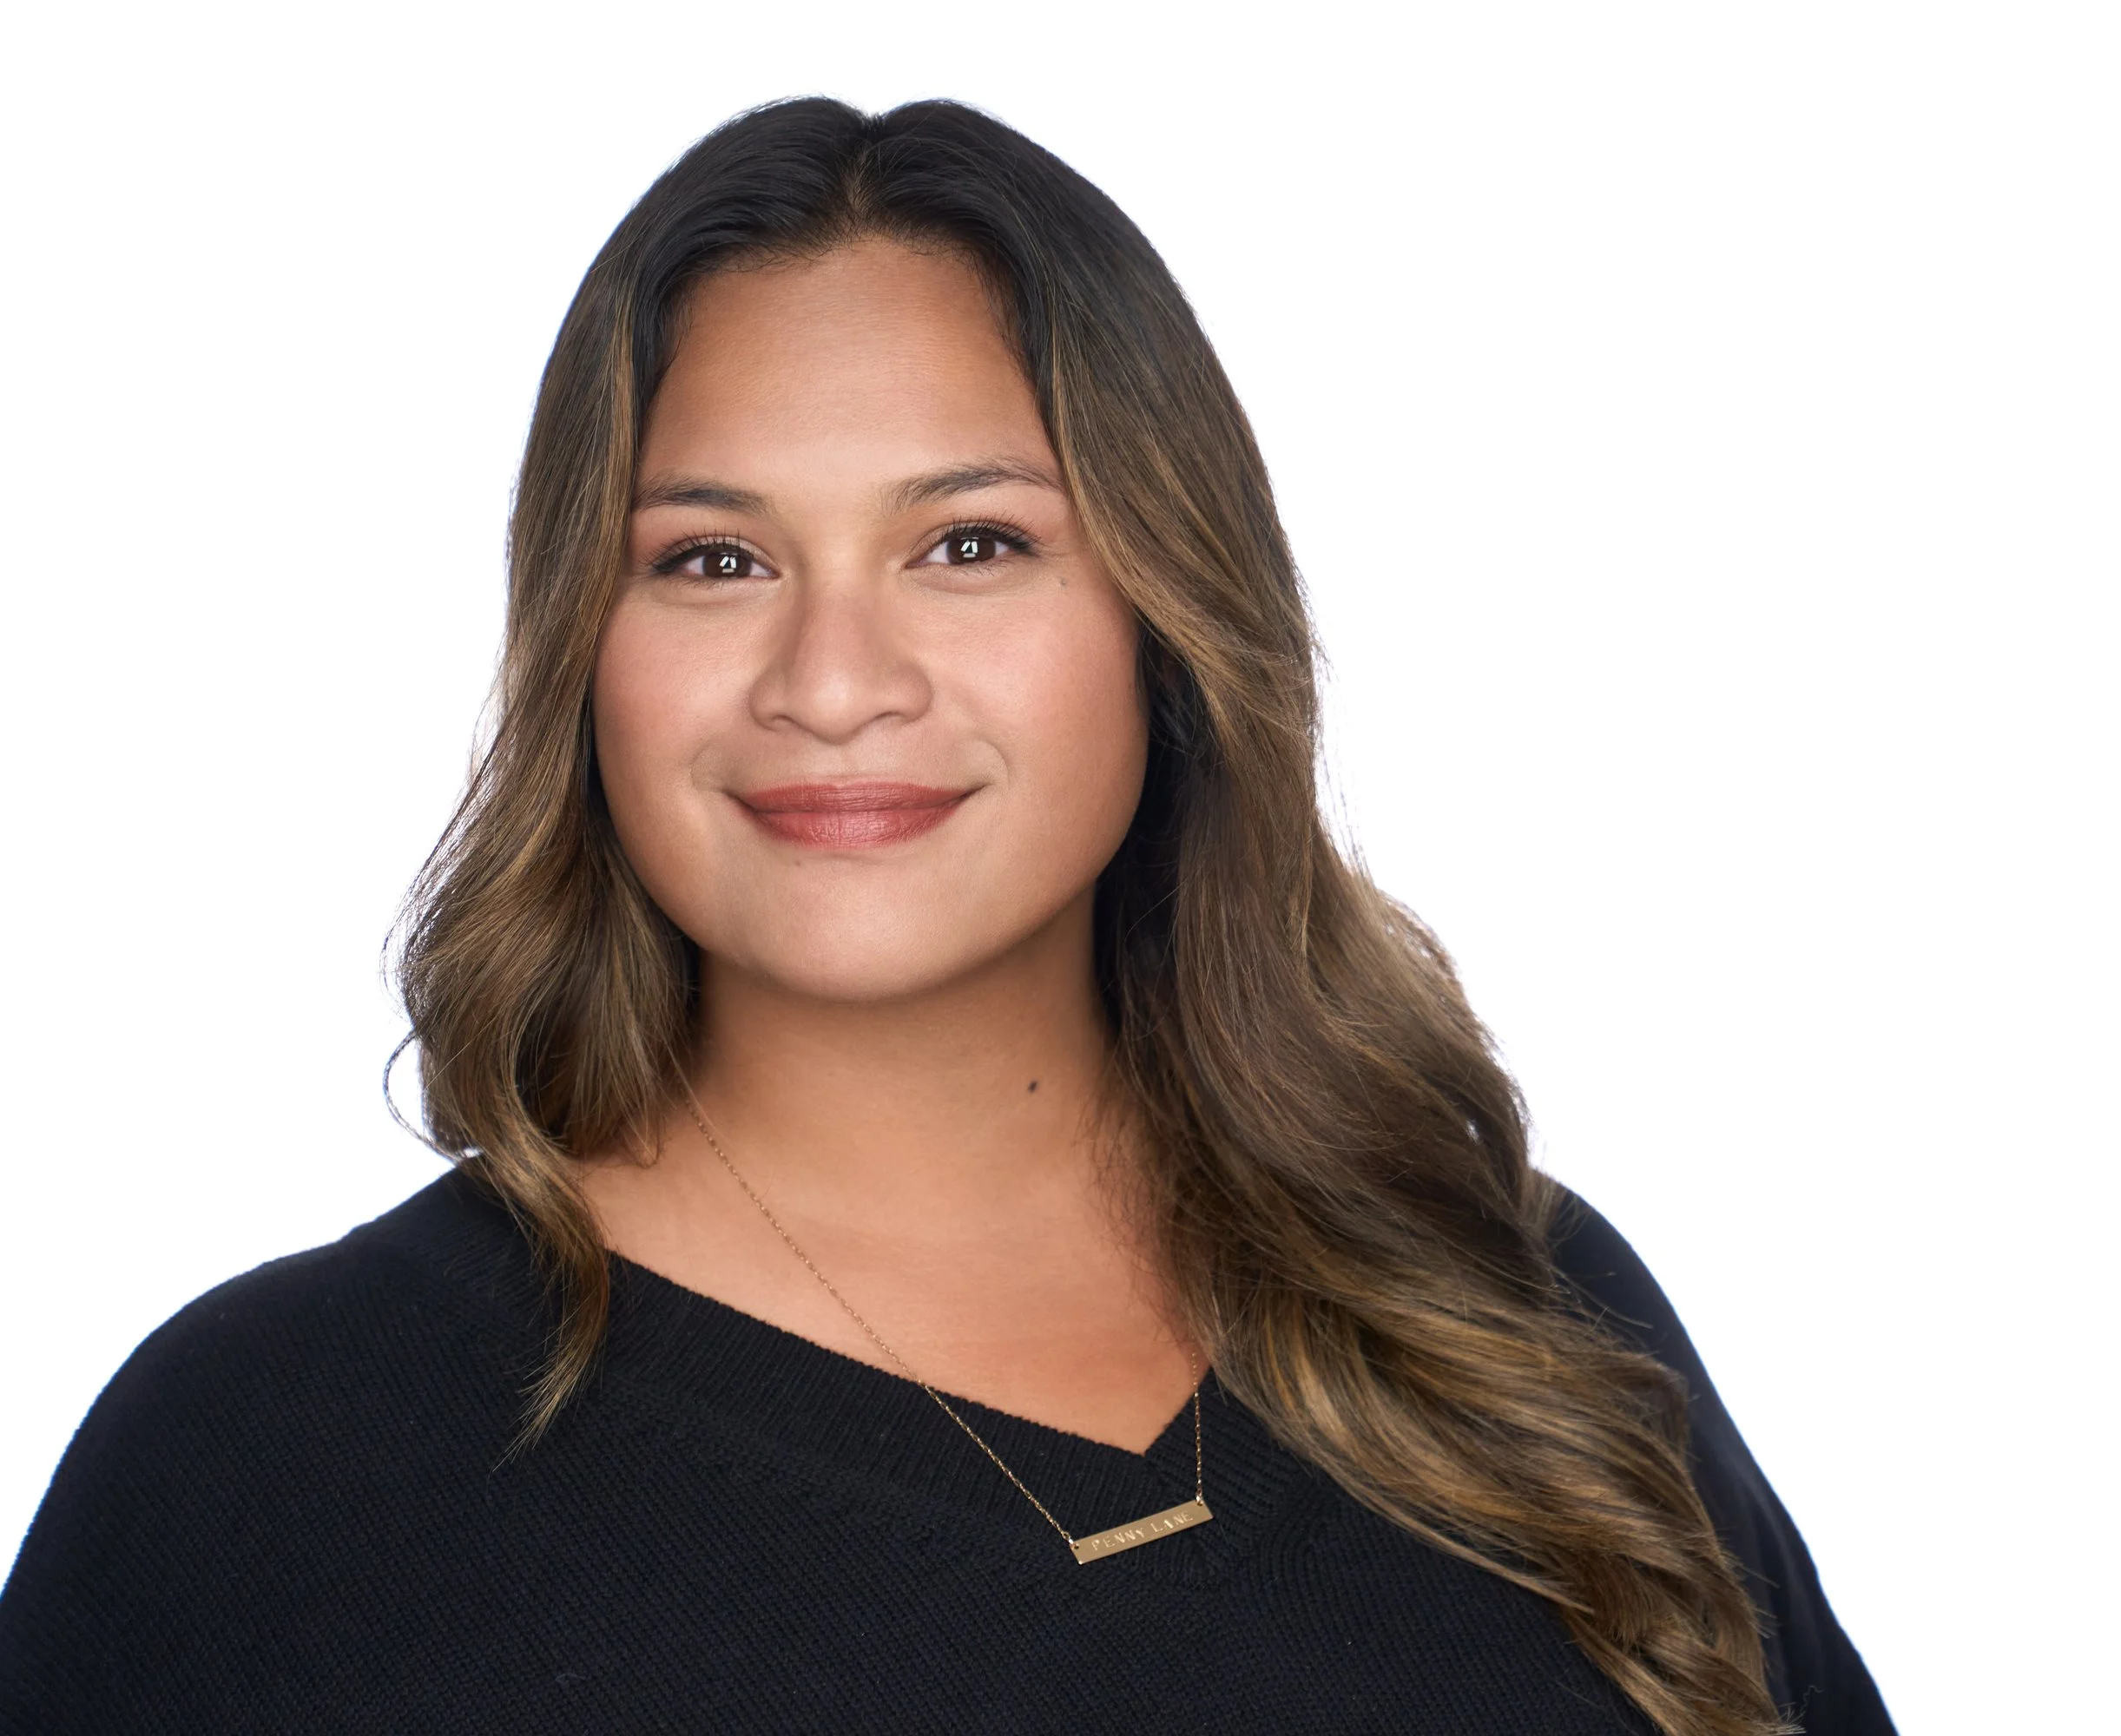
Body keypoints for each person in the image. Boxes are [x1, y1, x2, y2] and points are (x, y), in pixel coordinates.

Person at [0, 99, 1894, 1735]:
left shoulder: (1508, 1314)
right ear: (583, 645)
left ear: (1165, 618)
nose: (834, 681)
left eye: (970, 543)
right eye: (713, 558)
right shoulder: (270, 1462)